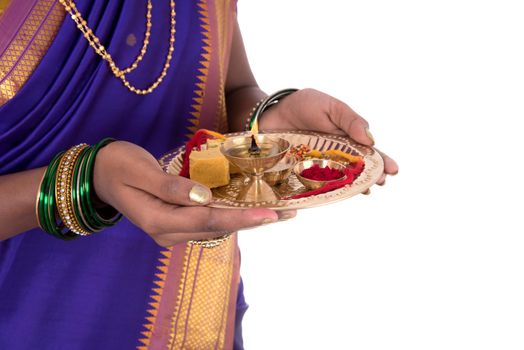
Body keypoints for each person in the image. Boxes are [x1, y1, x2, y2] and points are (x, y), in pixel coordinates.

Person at [0, 0, 398, 348]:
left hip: (190, 306)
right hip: (28, 315)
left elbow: (231, 87)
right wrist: (86, 181)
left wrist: (267, 121)